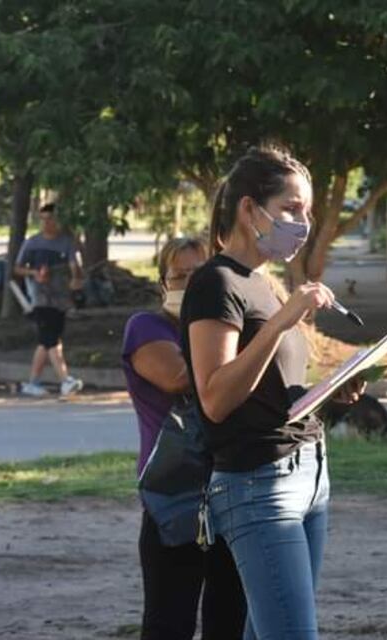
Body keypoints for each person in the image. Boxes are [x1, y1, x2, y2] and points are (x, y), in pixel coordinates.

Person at [182, 146, 362, 640]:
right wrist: (285, 319)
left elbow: (271, 388)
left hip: (309, 472)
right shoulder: (215, 283)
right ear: (248, 208)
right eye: (291, 208)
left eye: (307, 212)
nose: (302, 223)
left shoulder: (264, 282)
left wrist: (331, 389)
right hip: (259, 485)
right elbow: (216, 397)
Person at [122, 237, 246, 640]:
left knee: (228, 616)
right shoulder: (146, 327)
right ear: (163, 285)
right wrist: (225, 347)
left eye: (201, 275)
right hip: (173, 496)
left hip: (231, 486)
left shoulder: (233, 328)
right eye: (180, 276)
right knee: (168, 621)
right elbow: (178, 378)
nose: (191, 284)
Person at [13, 203, 85, 397]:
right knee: (50, 339)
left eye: (50, 218)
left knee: (47, 341)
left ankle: (32, 383)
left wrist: (75, 279)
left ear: (57, 220)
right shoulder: (32, 242)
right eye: (43, 219)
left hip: (61, 298)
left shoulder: (66, 242)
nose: (46, 223)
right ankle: (65, 380)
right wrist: (34, 273)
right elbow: (18, 268)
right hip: (40, 297)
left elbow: (73, 265)